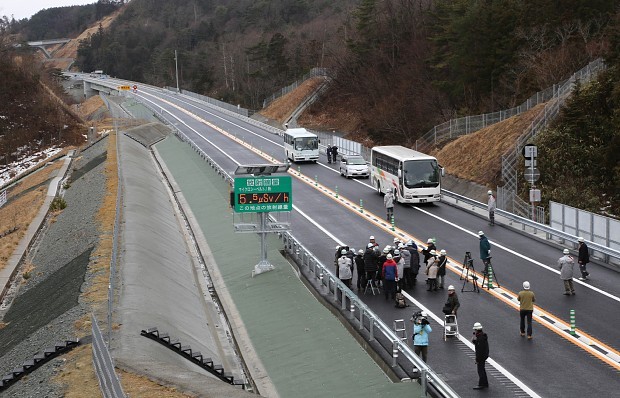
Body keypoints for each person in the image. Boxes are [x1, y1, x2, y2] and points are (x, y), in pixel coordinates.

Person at [472, 322, 489, 390]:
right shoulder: (482, 336)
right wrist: (474, 341)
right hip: (484, 355)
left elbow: (480, 350)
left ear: (476, 330)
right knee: (482, 369)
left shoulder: (480, 338)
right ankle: (485, 383)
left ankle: (481, 384)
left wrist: (477, 359)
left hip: (481, 356)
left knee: (480, 370)